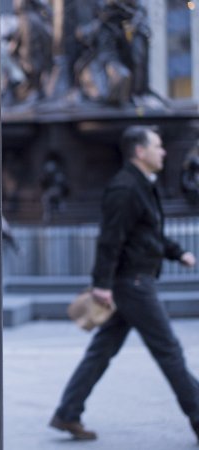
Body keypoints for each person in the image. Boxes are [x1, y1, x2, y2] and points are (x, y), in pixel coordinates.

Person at [50, 126, 199, 443]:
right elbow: (110, 238)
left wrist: (178, 253)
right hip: (133, 283)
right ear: (140, 152)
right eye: (158, 146)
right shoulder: (126, 188)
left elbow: (147, 234)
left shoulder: (140, 185)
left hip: (131, 281)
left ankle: (67, 413)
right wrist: (101, 284)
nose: (164, 152)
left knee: (101, 351)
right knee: (169, 351)